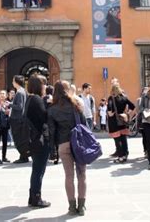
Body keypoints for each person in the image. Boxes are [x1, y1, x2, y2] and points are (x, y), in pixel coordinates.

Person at [48, 81, 87, 215]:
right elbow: (85, 125)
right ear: (67, 90)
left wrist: (52, 151)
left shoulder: (52, 109)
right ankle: (81, 206)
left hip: (63, 144)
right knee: (82, 175)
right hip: (79, 144)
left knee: (68, 176)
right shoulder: (76, 105)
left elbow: (51, 132)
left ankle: (71, 206)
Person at [25, 75, 51, 208]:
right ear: (39, 86)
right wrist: (49, 104)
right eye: (44, 84)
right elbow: (45, 118)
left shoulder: (30, 99)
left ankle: (32, 196)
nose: (45, 87)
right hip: (39, 140)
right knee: (39, 170)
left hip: (34, 139)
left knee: (36, 169)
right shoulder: (36, 100)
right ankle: (36, 198)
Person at [107, 84, 135, 163]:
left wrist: (112, 114)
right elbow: (133, 106)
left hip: (114, 122)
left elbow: (109, 111)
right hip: (123, 120)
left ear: (112, 90)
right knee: (123, 139)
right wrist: (127, 114)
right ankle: (125, 154)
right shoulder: (124, 98)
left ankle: (120, 157)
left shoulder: (111, 98)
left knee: (117, 140)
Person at [10, 75, 29, 164]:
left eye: (13, 81)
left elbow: (20, 107)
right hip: (20, 118)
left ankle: (24, 155)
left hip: (17, 119)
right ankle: (23, 155)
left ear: (16, 82)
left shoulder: (19, 93)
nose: (12, 83)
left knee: (18, 139)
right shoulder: (23, 91)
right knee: (21, 138)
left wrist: (9, 104)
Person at [0, 90, 11, 164]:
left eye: (3, 94)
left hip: (5, 125)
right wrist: (0, 106)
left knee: (5, 142)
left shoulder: (8, 103)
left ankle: (4, 157)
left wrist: (8, 112)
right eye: (0, 94)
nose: (2, 95)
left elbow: (10, 113)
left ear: (6, 96)